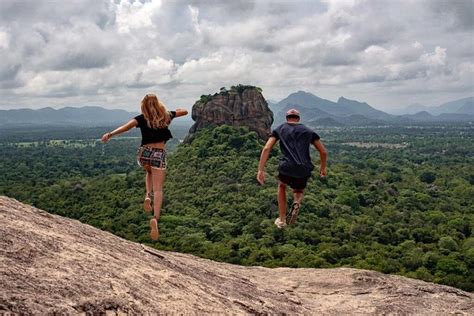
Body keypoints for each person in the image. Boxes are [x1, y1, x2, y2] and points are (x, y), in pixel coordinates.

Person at [101, 93, 188, 240]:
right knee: (159, 189)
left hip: (144, 153)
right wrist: (176, 110)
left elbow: (125, 127)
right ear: (158, 103)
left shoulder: (141, 118)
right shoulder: (167, 116)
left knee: (149, 172)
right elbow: (185, 111)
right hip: (159, 154)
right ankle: (155, 218)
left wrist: (110, 134)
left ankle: (148, 195)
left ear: (143, 105)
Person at [257, 109, 327, 229]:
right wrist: (323, 168)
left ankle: (282, 219)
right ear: (298, 119)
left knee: (282, 186)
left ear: (287, 118)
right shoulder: (308, 131)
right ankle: (296, 203)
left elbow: (267, 148)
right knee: (298, 191)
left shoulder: (280, 129)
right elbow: (323, 152)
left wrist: (260, 170)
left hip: (287, 167)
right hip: (304, 168)